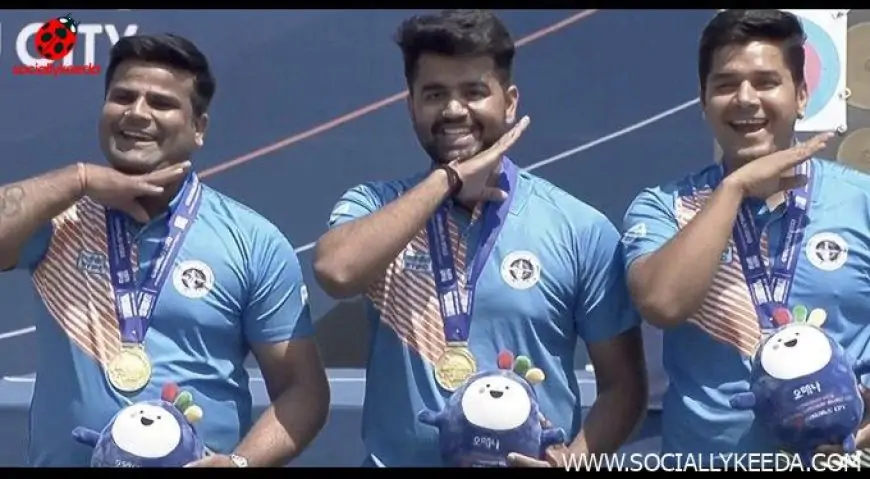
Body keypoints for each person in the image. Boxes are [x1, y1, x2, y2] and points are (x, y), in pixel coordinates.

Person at [313, 9, 646, 468]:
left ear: (509, 102)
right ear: (411, 106)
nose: (453, 110)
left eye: (473, 92)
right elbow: (337, 271)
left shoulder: (577, 227)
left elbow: (623, 385)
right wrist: (446, 182)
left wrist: (573, 459)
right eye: (434, 94)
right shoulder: (375, 205)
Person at [0, 33, 329, 467]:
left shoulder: (252, 241)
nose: (137, 113)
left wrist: (239, 464)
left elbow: (302, 389)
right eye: (122, 97)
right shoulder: (59, 219)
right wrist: (79, 179)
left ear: (199, 128)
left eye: (161, 103)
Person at [621, 9, 870, 463]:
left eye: (765, 82)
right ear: (702, 100)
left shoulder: (860, 201)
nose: (745, 98)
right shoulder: (663, 206)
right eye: (725, 85)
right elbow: (662, 303)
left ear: (801, 95)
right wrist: (732, 188)